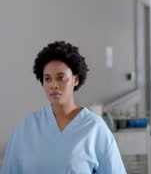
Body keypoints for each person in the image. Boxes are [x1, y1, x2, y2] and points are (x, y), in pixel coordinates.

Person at [1, 41, 126, 174]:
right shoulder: (27, 127)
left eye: (61, 78)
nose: (53, 85)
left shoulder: (95, 128)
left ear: (75, 79)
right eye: (48, 79)